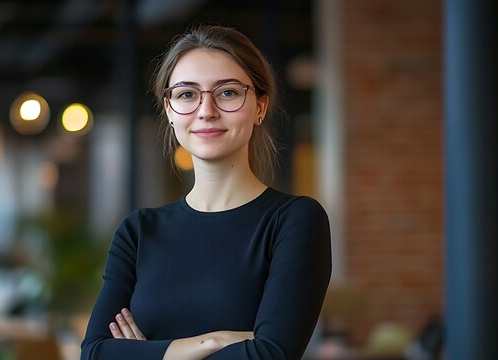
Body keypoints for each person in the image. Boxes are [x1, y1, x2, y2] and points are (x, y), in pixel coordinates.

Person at [80, 24, 331, 360]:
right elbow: (94, 353)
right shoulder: (138, 231)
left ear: (260, 106)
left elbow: (271, 355)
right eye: (187, 94)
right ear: (169, 111)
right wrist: (212, 342)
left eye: (227, 92)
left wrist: (146, 355)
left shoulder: (295, 221)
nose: (206, 110)